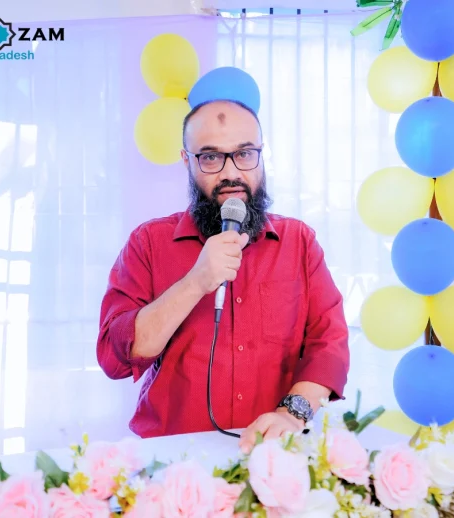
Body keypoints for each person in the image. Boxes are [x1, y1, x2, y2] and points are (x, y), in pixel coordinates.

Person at [97, 99, 349, 453]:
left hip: (273, 456)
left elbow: (330, 342)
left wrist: (291, 415)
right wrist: (195, 282)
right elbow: (115, 358)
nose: (231, 173)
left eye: (244, 153)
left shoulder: (299, 242)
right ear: (187, 161)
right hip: (172, 459)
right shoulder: (148, 242)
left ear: (261, 155)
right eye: (211, 157)